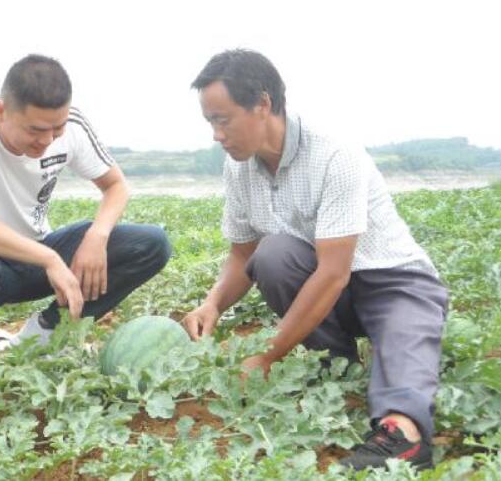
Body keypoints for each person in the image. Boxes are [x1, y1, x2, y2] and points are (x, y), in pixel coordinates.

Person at [182, 49, 448, 471]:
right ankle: (335, 370)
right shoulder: (239, 169)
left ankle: (403, 434)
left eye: (223, 119)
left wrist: (266, 355)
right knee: (273, 255)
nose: (216, 134)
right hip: (330, 291)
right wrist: (213, 302)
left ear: (263, 104)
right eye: (210, 122)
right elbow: (243, 254)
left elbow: (333, 273)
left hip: (391, 281)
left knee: (402, 335)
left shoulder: (334, 154)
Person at [0, 54, 171, 350]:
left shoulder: (73, 125)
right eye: (35, 130)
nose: (48, 139)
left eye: (58, 128)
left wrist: (97, 236)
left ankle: (46, 335)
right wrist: (49, 258)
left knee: (151, 244)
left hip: (33, 257)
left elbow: (116, 186)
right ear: (0, 111)